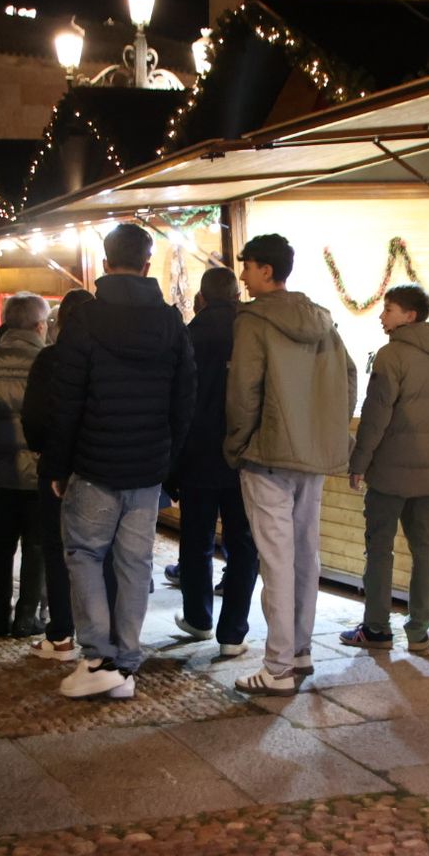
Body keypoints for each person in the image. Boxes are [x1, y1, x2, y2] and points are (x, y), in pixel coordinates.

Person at [45, 224, 195, 699]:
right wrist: (168, 462)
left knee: (85, 555)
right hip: (147, 467)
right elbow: (184, 400)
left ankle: (100, 657)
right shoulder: (172, 322)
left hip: (94, 464)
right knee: (135, 564)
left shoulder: (85, 321)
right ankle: (126, 663)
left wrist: (56, 465)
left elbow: (65, 400)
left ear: (105, 265)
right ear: (148, 265)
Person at [224, 234, 356, 695]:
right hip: (312, 458)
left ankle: (277, 666)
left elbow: (243, 392)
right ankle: (299, 652)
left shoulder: (254, 321)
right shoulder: (323, 322)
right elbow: (349, 378)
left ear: (266, 270)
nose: (242, 275)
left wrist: (236, 445)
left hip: (268, 455)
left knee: (276, 560)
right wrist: (330, 435)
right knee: (304, 555)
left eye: (248, 266)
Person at [341, 283, 429, 653]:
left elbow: (375, 417)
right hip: (428, 472)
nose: (382, 316)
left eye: (389, 309)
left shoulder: (392, 356)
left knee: (379, 549)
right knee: (424, 553)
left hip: (389, 472)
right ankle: (419, 631)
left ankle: (376, 628)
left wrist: (360, 462)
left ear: (410, 316)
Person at [169, 268, 258, 657]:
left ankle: (199, 618)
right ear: (237, 296)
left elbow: (176, 403)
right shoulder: (250, 334)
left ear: (200, 299)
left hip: (196, 457)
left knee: (196, 541)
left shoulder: (188, 335)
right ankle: (233, 633)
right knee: (243, 545)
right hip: (244, 458)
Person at [22, 288, 94, 661]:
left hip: (55, 467)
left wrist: (44, 449)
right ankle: (102, 634)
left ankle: (62, 633)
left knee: (57, 548)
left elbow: (33, 419)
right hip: (100, 465)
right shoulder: (105, 357)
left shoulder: (50, 360)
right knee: (99, 551)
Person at [0, 291, 49, 638]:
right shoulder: (45, 362)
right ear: (39, 325)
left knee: (1, 544)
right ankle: (26, 618)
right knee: (36, 546)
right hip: (36, 472)